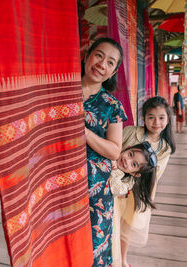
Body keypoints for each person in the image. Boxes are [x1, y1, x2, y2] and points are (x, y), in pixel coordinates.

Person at [113, 96, 176, 267]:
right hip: (116, 181)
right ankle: (111, 257)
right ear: (144, 118)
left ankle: (123, 259)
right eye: (151, 117)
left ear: (168, 119)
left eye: (161, 118)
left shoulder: (165, 147)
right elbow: (115, 149)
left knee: (127, 225)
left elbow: (155, 174)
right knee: (114, 220)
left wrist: (129, 187)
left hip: (138, 190)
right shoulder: (132, 132)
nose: (156, 122)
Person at [82, 37, 128, 266]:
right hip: (57, 184)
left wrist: (85, 133)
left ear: (113, 72)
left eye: (111, 62)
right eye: (99, 55)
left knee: (95, 250)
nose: (102, 64)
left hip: (96, 190)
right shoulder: (61, 92)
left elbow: (114, 150)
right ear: (87, 56)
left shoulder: (113, 106)